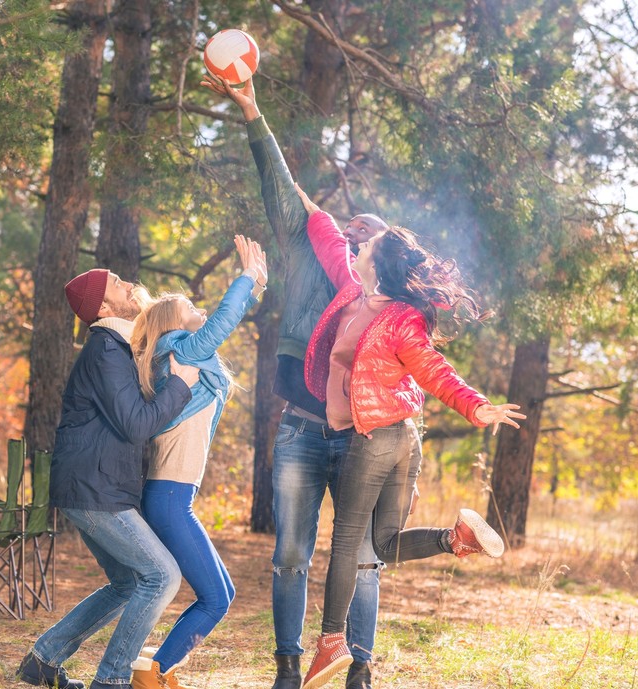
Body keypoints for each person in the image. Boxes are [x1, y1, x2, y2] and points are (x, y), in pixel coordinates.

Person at [294, 185, 526, 689]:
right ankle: (454, 538)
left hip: (377, 438)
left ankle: (332, 642)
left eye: (367, 247)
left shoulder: (401, 317)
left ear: (377, 261)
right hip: (400, 438)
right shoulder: (356, 294)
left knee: (347, 545)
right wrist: (308, 205)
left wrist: (474, 404)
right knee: (382, 544)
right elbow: (333, 241)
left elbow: (433, 367)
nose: (358, 250)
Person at [201, 73, 385, 689]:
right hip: (303, 428)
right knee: (290, 556)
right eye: (353, 231)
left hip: (359, 436)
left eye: (372, 239)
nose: (358, 240)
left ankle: (358, 666)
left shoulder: (384, 296)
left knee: (360, 556)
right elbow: (279, 183)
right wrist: (252, 111)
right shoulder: (310, 247)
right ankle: (286, 664)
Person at [17, 268, 200, 689]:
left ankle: (43, 660)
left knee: (127, 582)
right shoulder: (105, 349)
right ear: (103, 306)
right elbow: (137, 424)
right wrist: (181, 385)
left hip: (96, 487)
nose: (130, 285)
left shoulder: (118, 347)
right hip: (93, 490)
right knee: (161, 576)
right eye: (117, 284)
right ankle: (112, 680)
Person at [128, 235, 268, 689]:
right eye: (191, 306)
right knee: (214, 598)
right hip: (169, 497)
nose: (199, 310)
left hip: (173, 495)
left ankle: (159, 671)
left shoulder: (184, 355)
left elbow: (220, 326)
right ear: (174, 321)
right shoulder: (178, 349)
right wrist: (246, 278)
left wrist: (257, 284)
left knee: (223, 593)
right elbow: (222, 322)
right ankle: (155, 675)